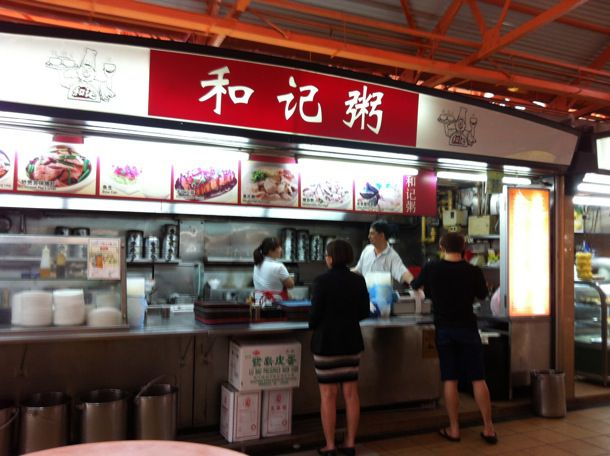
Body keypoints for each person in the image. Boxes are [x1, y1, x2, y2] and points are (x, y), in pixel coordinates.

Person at [410, 232, 497, 445]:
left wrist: (429, 291)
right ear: (464, 247)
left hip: (444, 330)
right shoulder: (473, 270)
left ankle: (454, 428)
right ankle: (489, 428)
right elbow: (482, 295)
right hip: (468, 328)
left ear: (441, 246)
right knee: (478, 378)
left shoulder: (432, 267)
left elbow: (415, 285)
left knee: (450, 378)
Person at [309, 240, 370, 456]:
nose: (326, 258)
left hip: (326, 344)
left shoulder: (321, 281)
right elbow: (364, 312)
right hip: (351, 343)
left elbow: (314, 317)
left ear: (331, 257)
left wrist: (314, 323)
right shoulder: (358, 280)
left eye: (327, 255)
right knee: (351, 393)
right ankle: (350, 443)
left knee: (328, 395)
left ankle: (330, 446)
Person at [352, 219, 413, 286]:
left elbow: (402, 272)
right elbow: (358, 270)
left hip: (382, 295)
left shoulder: (392, 255)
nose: (368, 236)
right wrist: (343, 272)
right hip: (365, 294)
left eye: (372, 233)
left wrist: (414, 284)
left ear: (381, 235)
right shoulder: (367, 249)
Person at [252, 237, 294, 303]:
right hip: (275, 306)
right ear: (270, 251)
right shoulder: (279, 266)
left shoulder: (257, 264)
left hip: (259, 303)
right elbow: (291, 285)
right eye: (279, 247)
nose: (281, 249)